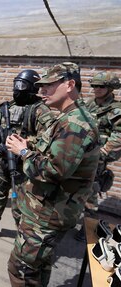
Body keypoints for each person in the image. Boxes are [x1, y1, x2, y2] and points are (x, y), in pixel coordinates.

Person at [5, 62, 100, 286]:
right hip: (45, 210)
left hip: (48, 215)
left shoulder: (76, 124)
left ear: (69, 85)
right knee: (39, 268)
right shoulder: (68, 117)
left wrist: (24, 152)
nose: (41, 91)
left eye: (48, 85)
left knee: (21, 270)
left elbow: (54, 170)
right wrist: (32, 143)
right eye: (41, 86)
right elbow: (55, 149)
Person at [0, 70, 53, 239]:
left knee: (20, 203)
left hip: (24, 164)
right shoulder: (6, 107)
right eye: (16, 84)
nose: (17, 89)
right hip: (3, 161)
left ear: (31, 88)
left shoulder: (41, 111)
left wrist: (22, 144)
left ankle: (22, 236)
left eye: (22, 85)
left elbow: (45, 141)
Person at [74, 71, 121, 241]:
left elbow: (119, 135)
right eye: (94, 85)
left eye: (101, 86)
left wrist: (103, 151)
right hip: (81, 153)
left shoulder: (116, 109)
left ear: (110, 88)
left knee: (90, 191)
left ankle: (90, 228)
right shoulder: (89, 104)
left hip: (98, 157)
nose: (96, 89)